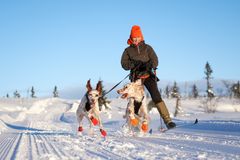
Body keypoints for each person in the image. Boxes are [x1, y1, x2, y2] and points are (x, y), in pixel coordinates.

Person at [121, 25, 176, 129]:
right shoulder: (127, 51)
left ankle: (168, 121)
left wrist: (149, 65)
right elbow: (124, 64)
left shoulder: (148, 48)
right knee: (137, 100)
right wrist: (134, 64)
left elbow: (155, 61)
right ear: (131, 38)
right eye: (134, 38)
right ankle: (135, 123)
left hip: (148, 75)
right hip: (136, 77)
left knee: (156, 96)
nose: (136, 40)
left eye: (138, 38)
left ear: (141, 37)